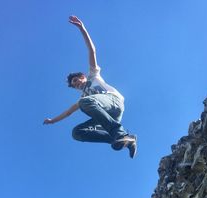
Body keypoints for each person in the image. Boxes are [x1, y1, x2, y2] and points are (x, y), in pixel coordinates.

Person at [43, 16, 137, 158]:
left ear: (83, 77)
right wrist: (52, 121)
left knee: (84, 102)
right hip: (106, 116)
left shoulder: (93, 75)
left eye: (76, 80)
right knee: (77, 133)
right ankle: (124, 140)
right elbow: (68, 112)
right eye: (74, 85)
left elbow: (91, 50)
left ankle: (120, 133)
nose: (76, 84)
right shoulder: (84, 97)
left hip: (114, 103)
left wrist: (82, 28)